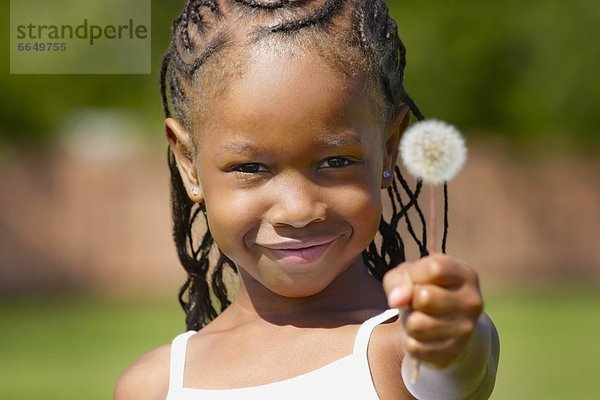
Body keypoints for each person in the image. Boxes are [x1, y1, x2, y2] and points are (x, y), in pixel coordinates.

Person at [114, 1, 500, 399]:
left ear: (388, 149)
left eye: (335, 161)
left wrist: (454, 336)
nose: (298, 210)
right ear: (189, 164)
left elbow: (459, 369)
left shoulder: (397, 349)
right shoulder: (154, 385)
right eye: (251, 168)